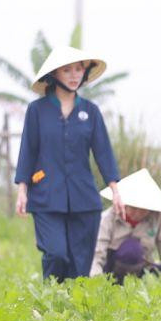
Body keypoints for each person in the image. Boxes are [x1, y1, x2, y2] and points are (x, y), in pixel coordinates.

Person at [14, 44, 122, 281]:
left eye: (79, 69)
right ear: (54, 75)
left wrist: (115, 190)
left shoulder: (91, 112)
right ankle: (51, 299)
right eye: (67, 70)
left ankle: (70, 311)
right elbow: (27, 151)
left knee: (80, 265)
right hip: (45, 196)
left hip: (84, 198)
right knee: (56, 253)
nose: (74, 75)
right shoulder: (36, 111)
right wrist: (22, 190)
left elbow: (103, 151)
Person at [90, 168, 161, 284]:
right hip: (111, 269)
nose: (138, 213)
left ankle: (138, 282)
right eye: (134, 208)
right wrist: (96, 280)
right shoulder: (107, 218)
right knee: (131, 249)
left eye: (144, 209)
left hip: (142, 267)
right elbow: (97, 253)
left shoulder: (157, 217)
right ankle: (118, 283)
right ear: (124, 203)